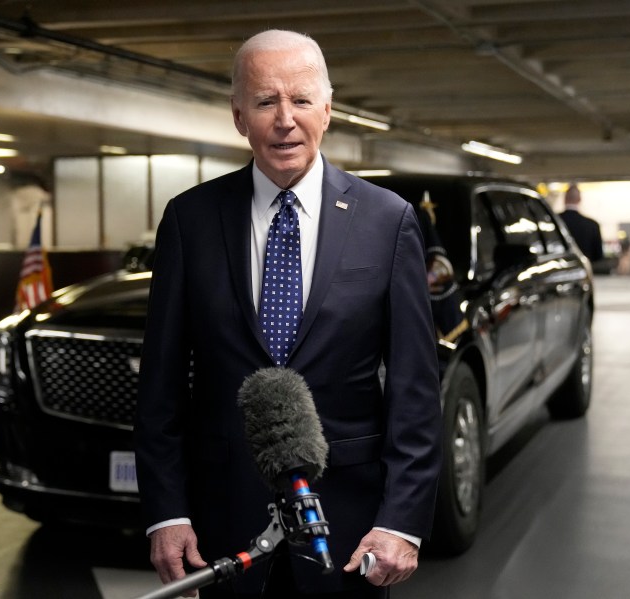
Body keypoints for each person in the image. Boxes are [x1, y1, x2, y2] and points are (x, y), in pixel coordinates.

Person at [134, 29, 442, 599]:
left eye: (300, 100)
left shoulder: (387, 221)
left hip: (350, 527)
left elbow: (414, 389)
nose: (284, 120)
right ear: (238, 115)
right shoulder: (190, 221)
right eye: (265, 101)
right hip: (219, 521)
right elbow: (161, 388)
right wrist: (166, 513)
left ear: (327, 109)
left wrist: (402, 521)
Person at [559, 183, 604, 263]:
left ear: (564, 199)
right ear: (579, 199)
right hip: (584, 270)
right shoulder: (592, 225)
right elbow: (598, 256)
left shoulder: (553, 222)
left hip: (559, 270)